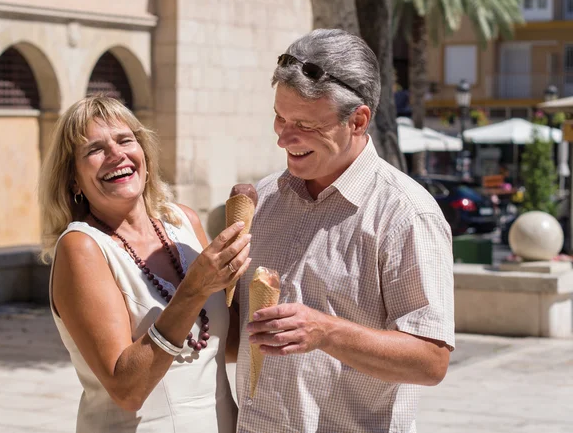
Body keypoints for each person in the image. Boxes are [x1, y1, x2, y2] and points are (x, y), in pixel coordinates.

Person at [235, 29, 455, 432]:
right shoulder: (264, 198)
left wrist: (326, 332)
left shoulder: (406, 215)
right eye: (280, 117)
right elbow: (238, 337)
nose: (284, 136)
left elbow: (431, 361)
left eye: (304, 123)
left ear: (357, 120)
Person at [38, 95, 250, 433]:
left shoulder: (183, 221)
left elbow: (226, 344)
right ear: (74, 180)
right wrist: (194, 289)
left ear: (144, 155)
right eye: (95, 149)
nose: (116, 154)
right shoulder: (83, 247)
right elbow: (127, 389)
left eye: (125, 140)